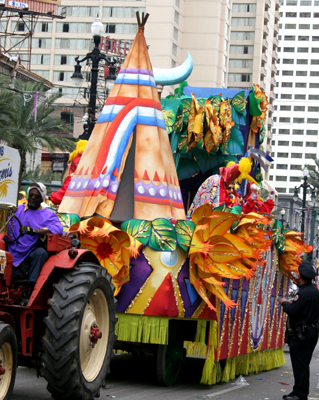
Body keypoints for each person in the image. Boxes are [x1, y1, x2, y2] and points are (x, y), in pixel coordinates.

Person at [6, 182, 63, 305]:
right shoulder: (16, 209)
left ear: (41, 199)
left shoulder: (48, 214)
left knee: (41, 253)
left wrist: (34, 231)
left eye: (36, 196)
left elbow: (59, 229)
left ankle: (30, 292)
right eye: (30, 195)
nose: (32, 198)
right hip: (10, 251)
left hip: (27, 257)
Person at [279, 261, 319, 400]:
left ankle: (300, 395)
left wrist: (284, 303)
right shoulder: (314, 291)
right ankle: (297, 391)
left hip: (302, 334)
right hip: (312, 333)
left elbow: (293, 311)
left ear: (301, 276)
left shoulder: (303, 292)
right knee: (303, 364)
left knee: (300, 366)